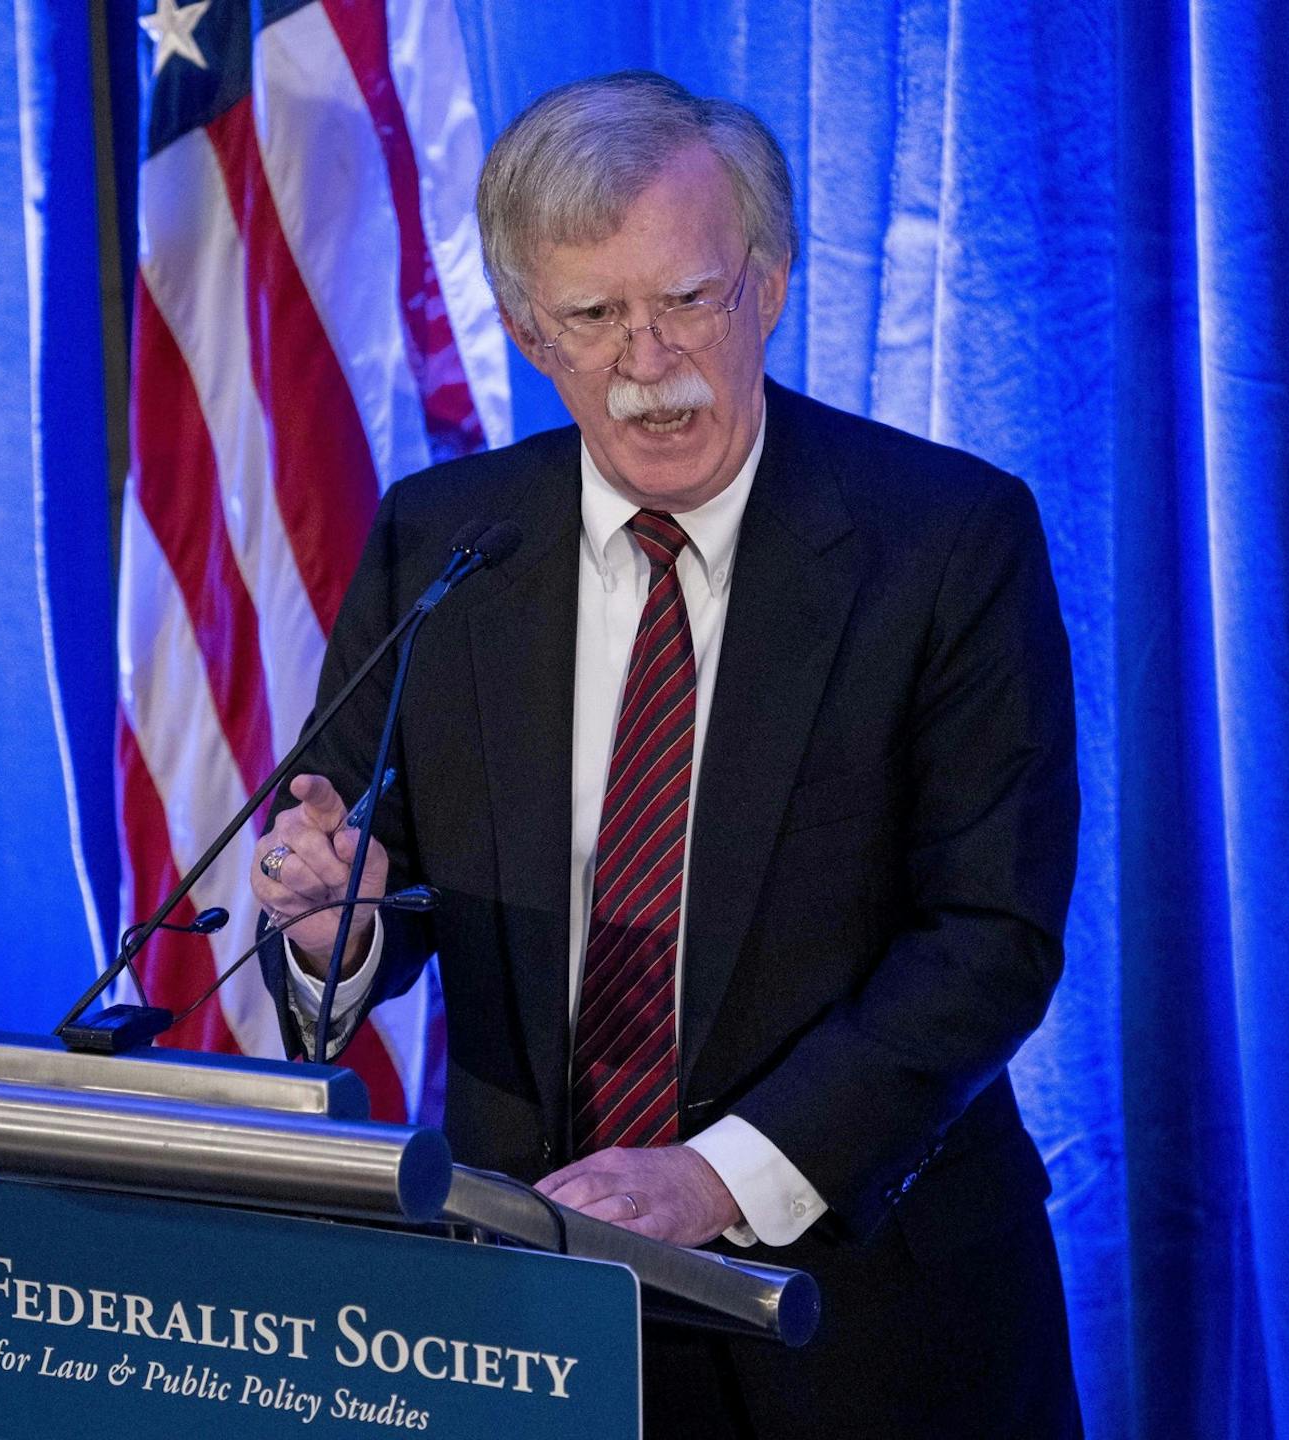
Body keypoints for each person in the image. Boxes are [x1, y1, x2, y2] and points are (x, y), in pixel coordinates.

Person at [250, 71, 1081, 1437]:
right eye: (592, 317)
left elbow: (988, 937)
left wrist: (715, 1178)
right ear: (526, 330)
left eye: (687, 299)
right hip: (531, 1302)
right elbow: (362, 880)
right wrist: (328, 932)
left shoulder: (945, 544)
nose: (647, 360)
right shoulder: (445, 544)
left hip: (867, 1309)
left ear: (769, 281)